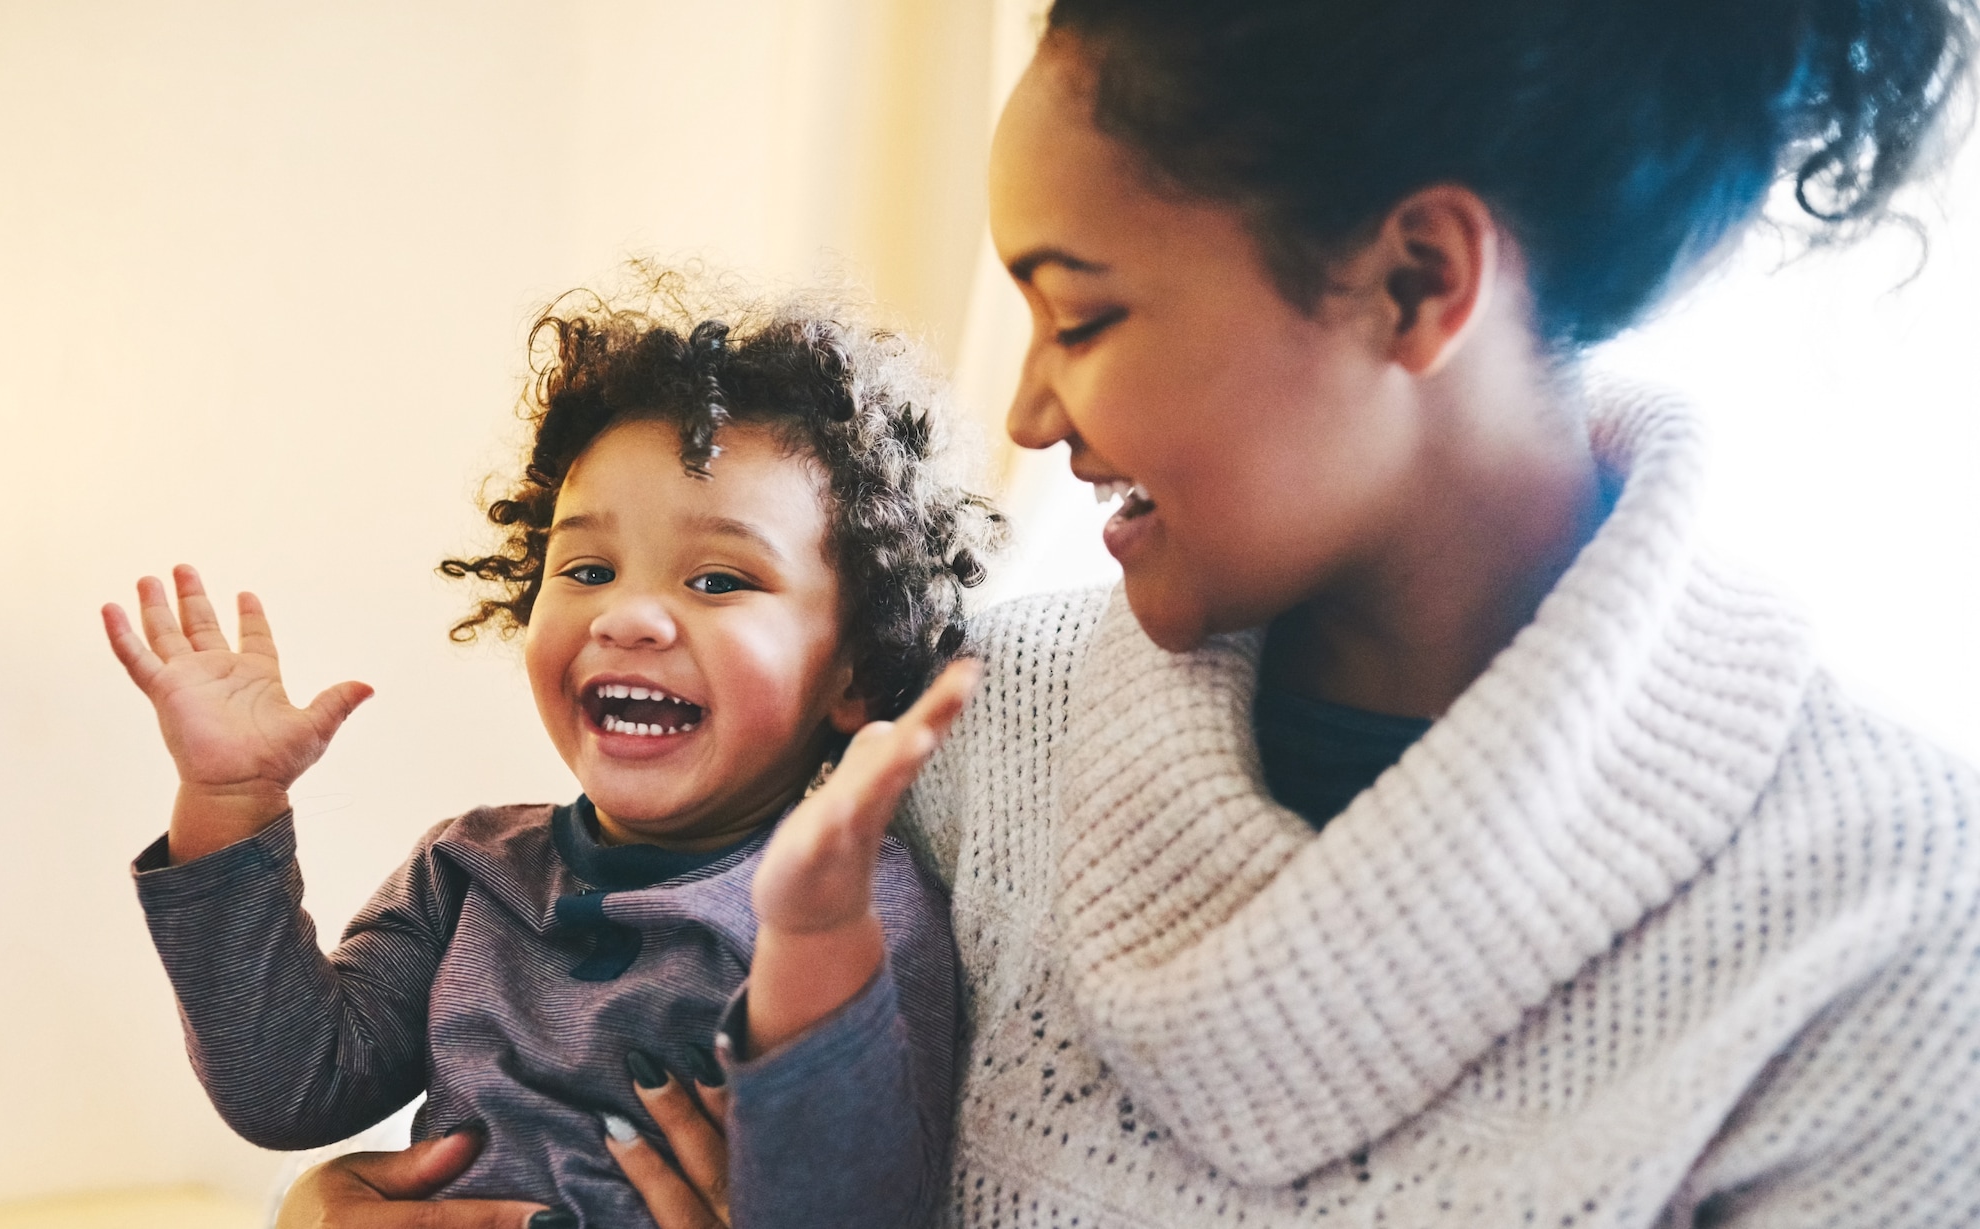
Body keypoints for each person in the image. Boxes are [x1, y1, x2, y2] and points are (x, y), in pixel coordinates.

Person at [280, 0, 1980, 1225]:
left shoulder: (1882, 918)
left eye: (1077, 315)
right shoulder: (965, 728)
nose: (1023, 413)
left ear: (1415, 283)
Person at [103, 279, 1003, 1229]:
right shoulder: (469, 869)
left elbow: (861, 1207)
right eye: (585, 569)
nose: (626, 614)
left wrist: (814, 942)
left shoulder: (855, 907)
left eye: (718, 577)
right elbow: (289, 1087)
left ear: (853, 670)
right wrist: (228, 802)